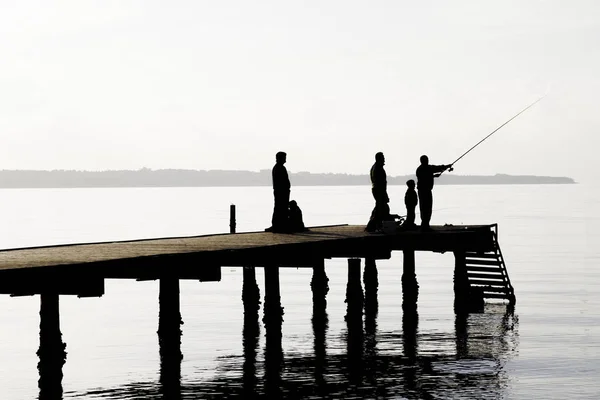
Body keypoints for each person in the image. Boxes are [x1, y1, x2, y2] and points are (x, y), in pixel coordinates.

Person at [415, 155, 451, 230]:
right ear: (423, 161)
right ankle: (425, 225)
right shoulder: (427, 168)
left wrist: (433, 176)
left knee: (424, 208)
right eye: (426, 160)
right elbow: (436, 168)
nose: (427, 161)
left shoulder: (420, 169)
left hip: (422, 191)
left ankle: (425, 224)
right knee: (427, 208)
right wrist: (447, 166)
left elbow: (428, 174)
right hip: (425, 191)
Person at [266, 151, 291, 232]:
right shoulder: (278, 168)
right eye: (284, 158)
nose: (285, 160)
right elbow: (280, 181)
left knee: (282, 208)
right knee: (279, 208)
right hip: (281, 192)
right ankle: (277, 225)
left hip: (283, 191)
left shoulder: (280, 167)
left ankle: (280, 224)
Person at [366, 152, 389, 232]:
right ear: (379, 158)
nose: (384, 159)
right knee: (380, 208)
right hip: (379, 190)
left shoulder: (375, 167)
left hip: (376, 189)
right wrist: (384, 194)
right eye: (383, 157)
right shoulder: (378, 168)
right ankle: (372, 226)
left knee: (379, 207)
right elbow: (381, 182)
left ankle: (374, 225)